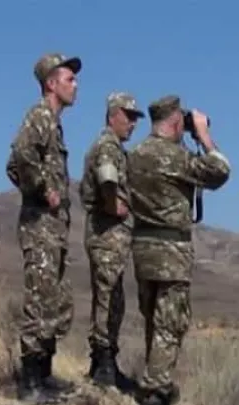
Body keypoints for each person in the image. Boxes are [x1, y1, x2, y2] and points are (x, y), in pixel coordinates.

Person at [127, 95, 231, 405]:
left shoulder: (136, 154)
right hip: (171, 251)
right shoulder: (174, 157)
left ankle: (153, 389)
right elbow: (220, 171)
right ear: (175, 123)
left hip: (143, 248)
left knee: (153, 323)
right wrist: (203, 136)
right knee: (169, 327)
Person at [4, 52, 82, 404]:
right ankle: (30, 382)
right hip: (40, 226)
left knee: (55, 299)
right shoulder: (38, 116)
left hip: (54, 228)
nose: (75, 86)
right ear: (51, 84)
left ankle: (45, 374)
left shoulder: (52, 123)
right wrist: (41, 189)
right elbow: (20, 157)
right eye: (69, 79)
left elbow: (14, 164)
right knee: (40, 299)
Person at [79, 92, 144, 388]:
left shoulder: (115, 148)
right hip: (106, 235)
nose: (132, 124)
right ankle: (103, 364)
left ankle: (105, 362)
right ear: (113, 114)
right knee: (107, 298)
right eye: (128, 117)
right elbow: (107, 178)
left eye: (135, 118)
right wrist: (112, 204)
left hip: (113, 236)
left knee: (113, 297)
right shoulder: (107, 146)